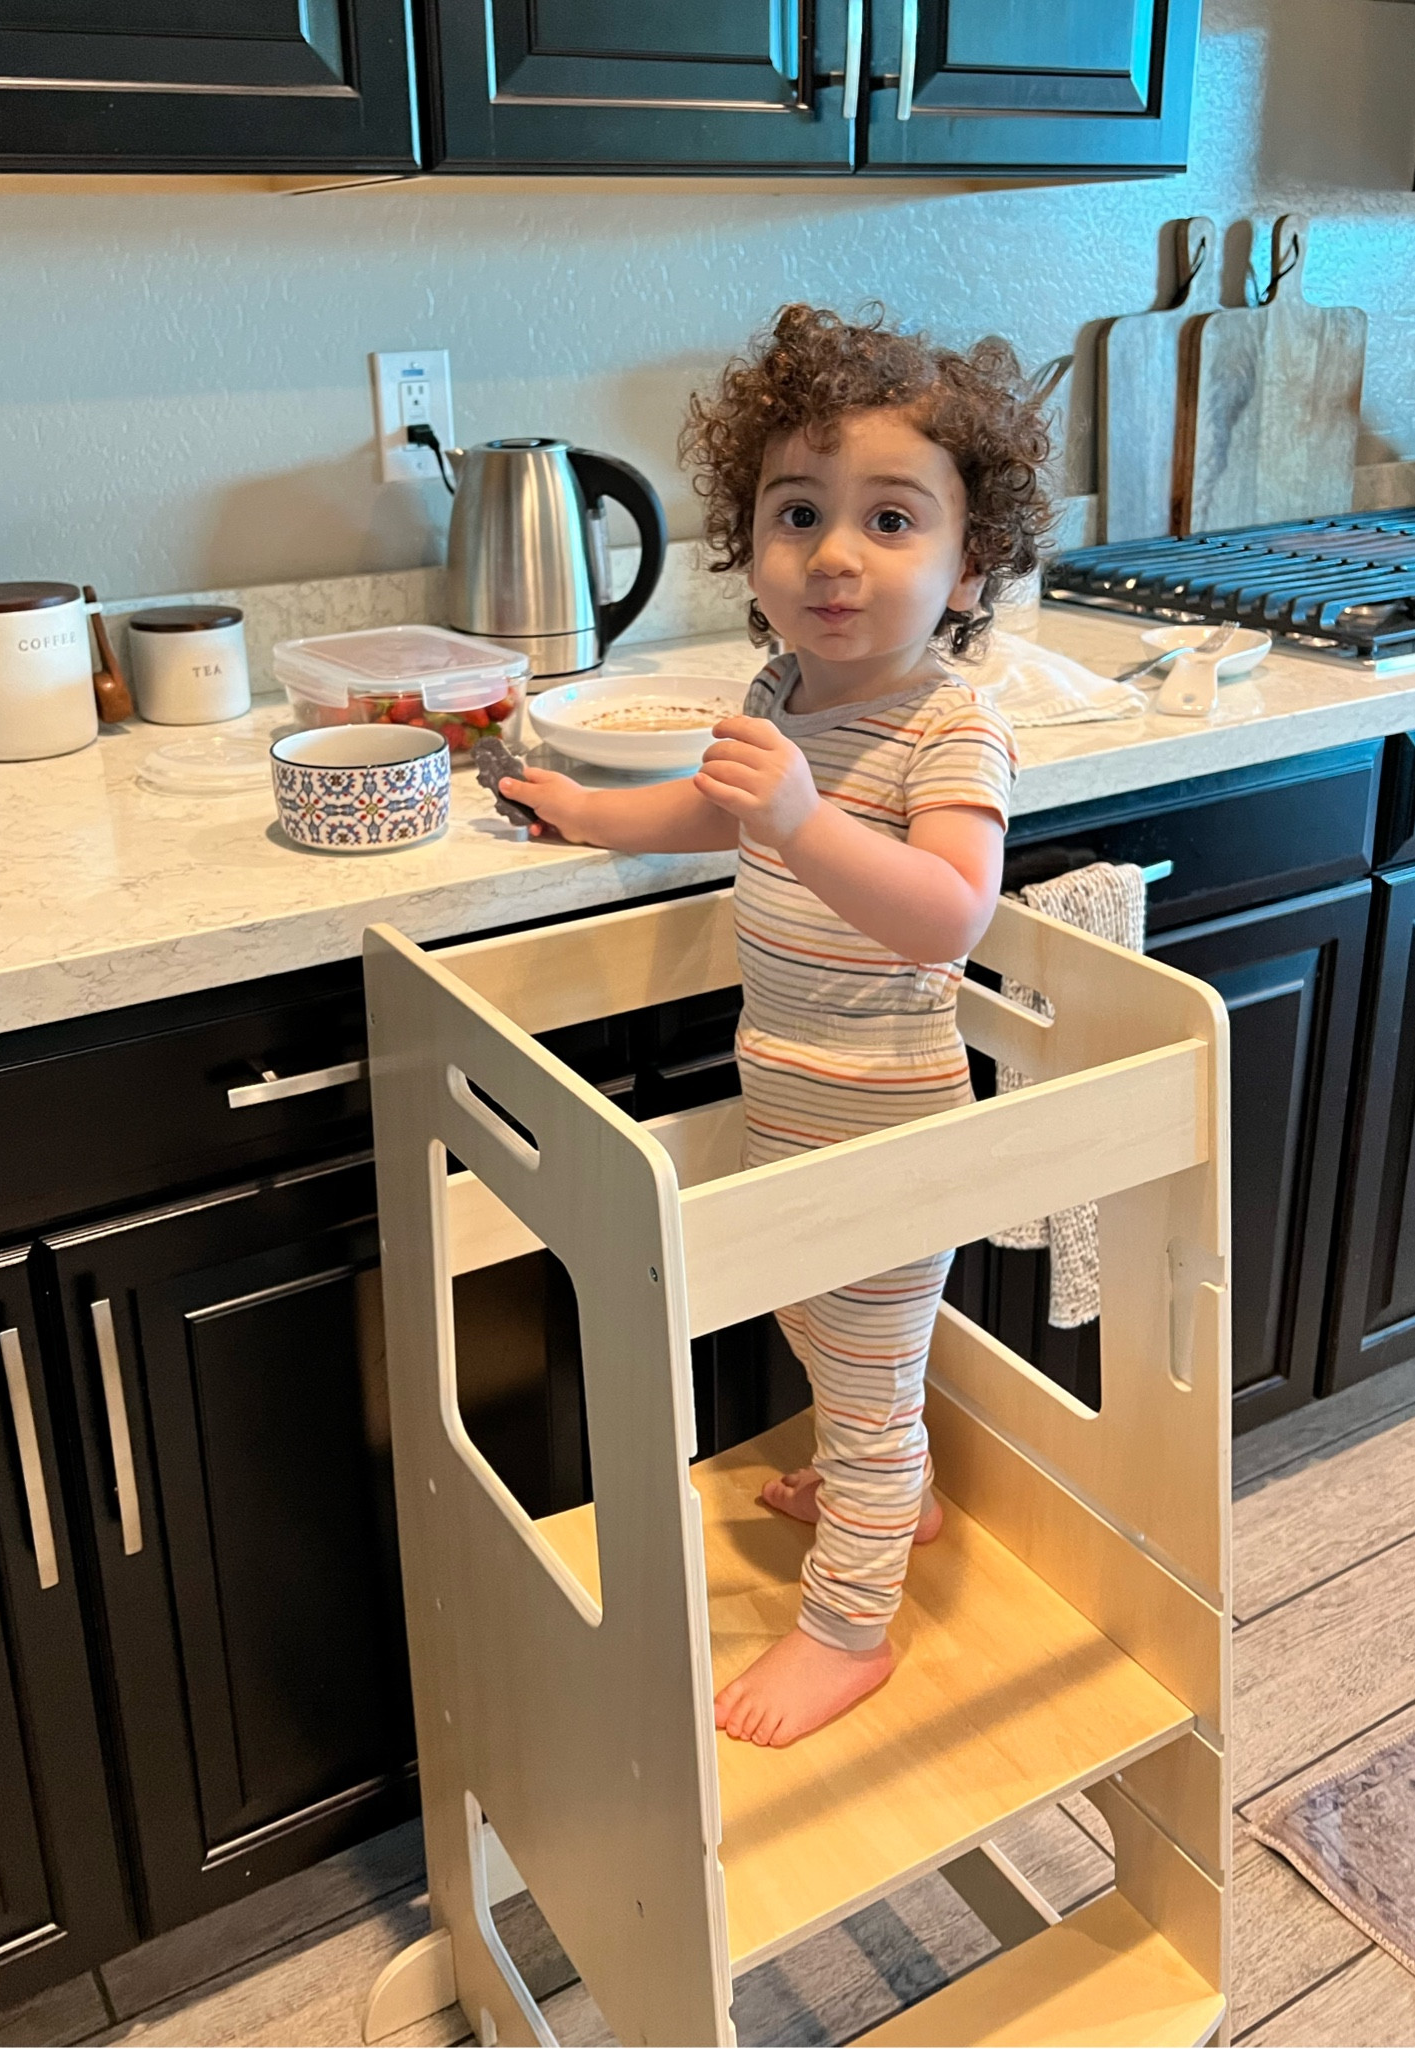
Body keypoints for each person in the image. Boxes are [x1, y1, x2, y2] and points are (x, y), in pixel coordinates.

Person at [501, 304, 1053, 1747]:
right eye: (796, 511)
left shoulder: (950, 728)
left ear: (966, 563)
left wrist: (803, 818)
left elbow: (946, 912)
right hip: (789, 1099)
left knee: (863, 1384)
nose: (831, 553)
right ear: (748, 541)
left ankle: (846, 1628)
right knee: (831, 1337)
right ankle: (904, 1497)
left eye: (888, 518)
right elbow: (710, 804)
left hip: (891, 1122)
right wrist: (586, 809)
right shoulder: (778, 693)